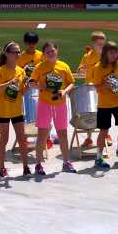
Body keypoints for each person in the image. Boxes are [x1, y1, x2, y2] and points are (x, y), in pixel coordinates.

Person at [30, 41, 77, 175]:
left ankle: (66, 161)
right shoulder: (40, 67)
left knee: (62, 133)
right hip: (45, 103)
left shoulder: (63, 66)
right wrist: (42, 86)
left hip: (60, 104)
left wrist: (65, 91)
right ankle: (38, 164)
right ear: (44, 54)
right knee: (42, 135)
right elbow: (31, 83)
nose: (51, 53)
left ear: (57, 51)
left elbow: (72, 83)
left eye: (53, 50)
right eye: (48, 51)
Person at [0, 41, 31, 178]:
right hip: (3, 111)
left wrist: (26, 85)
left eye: (19, 51)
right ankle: (2, 168)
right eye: (15, 52)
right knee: (4, 139)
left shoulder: (21, 70)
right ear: (7, 54)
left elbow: (22, 93)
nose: (18, 54)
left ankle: (26, 167)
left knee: (22, 138)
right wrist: (9, 82)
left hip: (17, 111)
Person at [91, 41, 118, 168]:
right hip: (104, 105)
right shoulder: (98, 67)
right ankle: (99, 157)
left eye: (115, 52)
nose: (114, 55)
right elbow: (96, 86)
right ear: (105, 53)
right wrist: (105, 86)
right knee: (103, 131)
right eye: (111, 52)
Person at [16, 31, 53, 149]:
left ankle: (47, 138)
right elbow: (18, 71)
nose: (31, 45)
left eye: (33, 43)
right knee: (27, 112)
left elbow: (46, 68)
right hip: (26, 87)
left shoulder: (41, 55)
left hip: (40, 88)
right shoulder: (21, 56)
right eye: (29, 43)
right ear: (25, 43)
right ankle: (26, 137)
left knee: (44, 113)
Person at [77, 31, 113, 147]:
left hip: (103, 89)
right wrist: (82, 69)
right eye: (99, 44)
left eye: (103, 44)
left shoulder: (107, 56)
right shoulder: (87, 56)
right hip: (90, 89)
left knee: (104, 114)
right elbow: (80, 69)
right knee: (89, 113)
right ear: (93, 44)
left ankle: (106, 135)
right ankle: (89, 138)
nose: (101, 46)